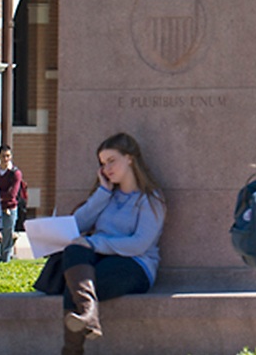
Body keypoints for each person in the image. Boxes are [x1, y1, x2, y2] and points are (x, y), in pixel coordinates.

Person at [57, 133, 166, 355]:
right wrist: (102, 193)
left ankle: (75, 342)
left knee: (76, 286)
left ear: (130, 159)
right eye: (102, 163)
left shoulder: (151, 199)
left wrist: (95, 243)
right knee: (75, 255)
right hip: (100, 260)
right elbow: (76, 225)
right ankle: (89, 316)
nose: (107, 168)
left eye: (111, 161)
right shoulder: (106, 195)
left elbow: (139, 244)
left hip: (136, 266)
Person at [0, 144, 29, 262]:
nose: (5, 159)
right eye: (3, 156)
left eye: (7, 156)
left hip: (9, 209)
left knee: (7, 236)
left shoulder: (15, 173)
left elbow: (12, 194)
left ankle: (5, 261)